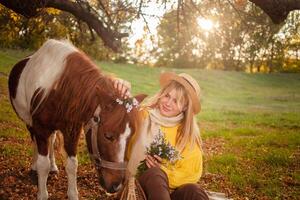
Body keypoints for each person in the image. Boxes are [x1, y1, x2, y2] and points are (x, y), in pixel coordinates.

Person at [114, 72, 208, 200]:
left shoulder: (186, 135)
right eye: (167, 96)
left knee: (194, 191)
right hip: (139, 187)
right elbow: (116, 117)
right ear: (161, 95)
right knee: (155, 174)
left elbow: (191, 174)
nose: (168, 103)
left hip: (169, 192)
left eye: (176, 101)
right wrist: (120, 88)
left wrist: (164, 171)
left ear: (185, 107)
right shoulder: (142, 116)